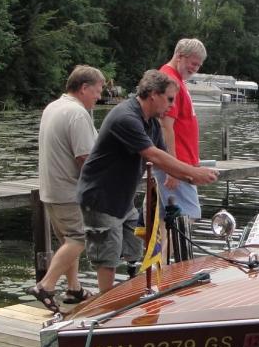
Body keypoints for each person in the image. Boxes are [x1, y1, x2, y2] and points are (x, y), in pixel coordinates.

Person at [76, 70, 219, 294]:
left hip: (122, 199)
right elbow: (153, 155)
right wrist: (193, 172)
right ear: (153, 94)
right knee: (108, 257)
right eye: (169, 99)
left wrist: (191, 176)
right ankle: (104, 311)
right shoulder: (126, 117)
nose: (172, 106)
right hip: (100, 197)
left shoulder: (151, 122)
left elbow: (165, 160)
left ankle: (138, 295)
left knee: (139, 245)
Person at [26, 65, 105, 313]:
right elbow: (85, 158)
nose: (99, 96)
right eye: (97, 90)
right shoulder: (77, 113)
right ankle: (46, 286)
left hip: (50, 189)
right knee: (81, 238)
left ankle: (74, 289)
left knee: (67, 240)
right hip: (69, 190)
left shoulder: (53, 107)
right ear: (84, 88)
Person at [158, 38, 207, 220]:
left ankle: (163, 250)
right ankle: (171, 250)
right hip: (177, 166)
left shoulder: (176, 79)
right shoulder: (170, 81)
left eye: (199, 65)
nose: (195, 69)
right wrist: (172, 168)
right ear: (180, 56)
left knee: (168, 223)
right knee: (185, 220)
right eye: (193, 63)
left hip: (181, 164)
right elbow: (165, 126)